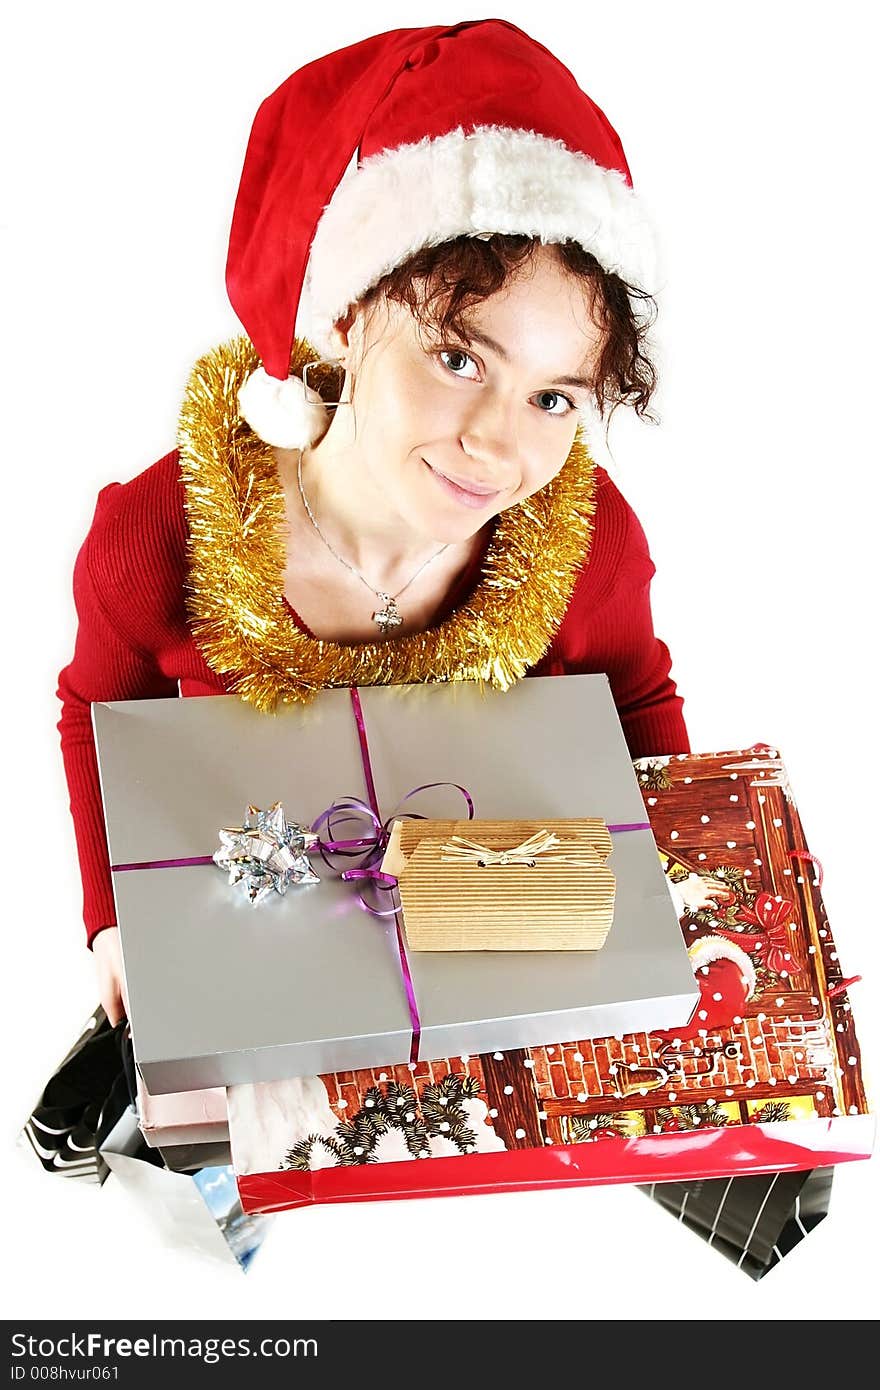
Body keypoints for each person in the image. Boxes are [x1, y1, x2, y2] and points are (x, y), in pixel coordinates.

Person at [55, 18, 688, 1030]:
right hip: (267, 918)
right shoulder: (159, 530)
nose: (494, 443)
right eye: (457, 359)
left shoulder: (588, 544)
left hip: (486, 931)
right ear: (345, 317)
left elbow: (638, 698)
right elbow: (98, 712)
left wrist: (685, 893)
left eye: (553, 399)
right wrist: (113, 922)